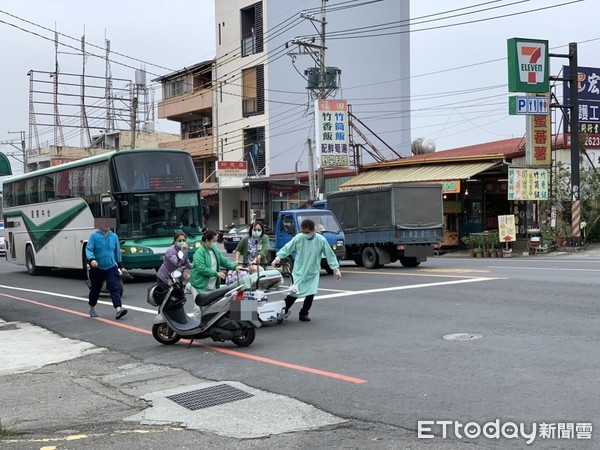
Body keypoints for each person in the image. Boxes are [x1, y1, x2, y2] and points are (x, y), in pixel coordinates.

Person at [272, 219, 341, 322]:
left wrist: (335, 269)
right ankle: (283, 310)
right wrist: (278, 257)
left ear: (313, 230)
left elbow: (329, 254)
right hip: (299, 270)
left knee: (311, 293)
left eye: (307, 232)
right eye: (303, 232)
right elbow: (288, 248)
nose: (305, 234)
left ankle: (304, 313)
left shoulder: (320, 240)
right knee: (294, 292)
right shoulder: (299, 238)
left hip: (312, 271)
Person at [86, 223, 129, 319]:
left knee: (114, 287)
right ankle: (92, 309)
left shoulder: (114, 236)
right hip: (97, 267)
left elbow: (117, 252)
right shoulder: (94, 236)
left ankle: (118, 310)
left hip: (111, 267)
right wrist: (92, 259)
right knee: (95, 290)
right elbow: (89, 249)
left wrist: (121, 266)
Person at [189, 229, 238, 297]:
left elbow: (223, 261)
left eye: (216, 241)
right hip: (200, 286)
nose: (215, 243)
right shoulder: (199, 252)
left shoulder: (215, 250)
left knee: (213, 307)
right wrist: (216, 274)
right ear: (207, 240)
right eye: (214, 241)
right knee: (198, 307)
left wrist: (235, 267)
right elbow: (201, 268)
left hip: (213, 285)